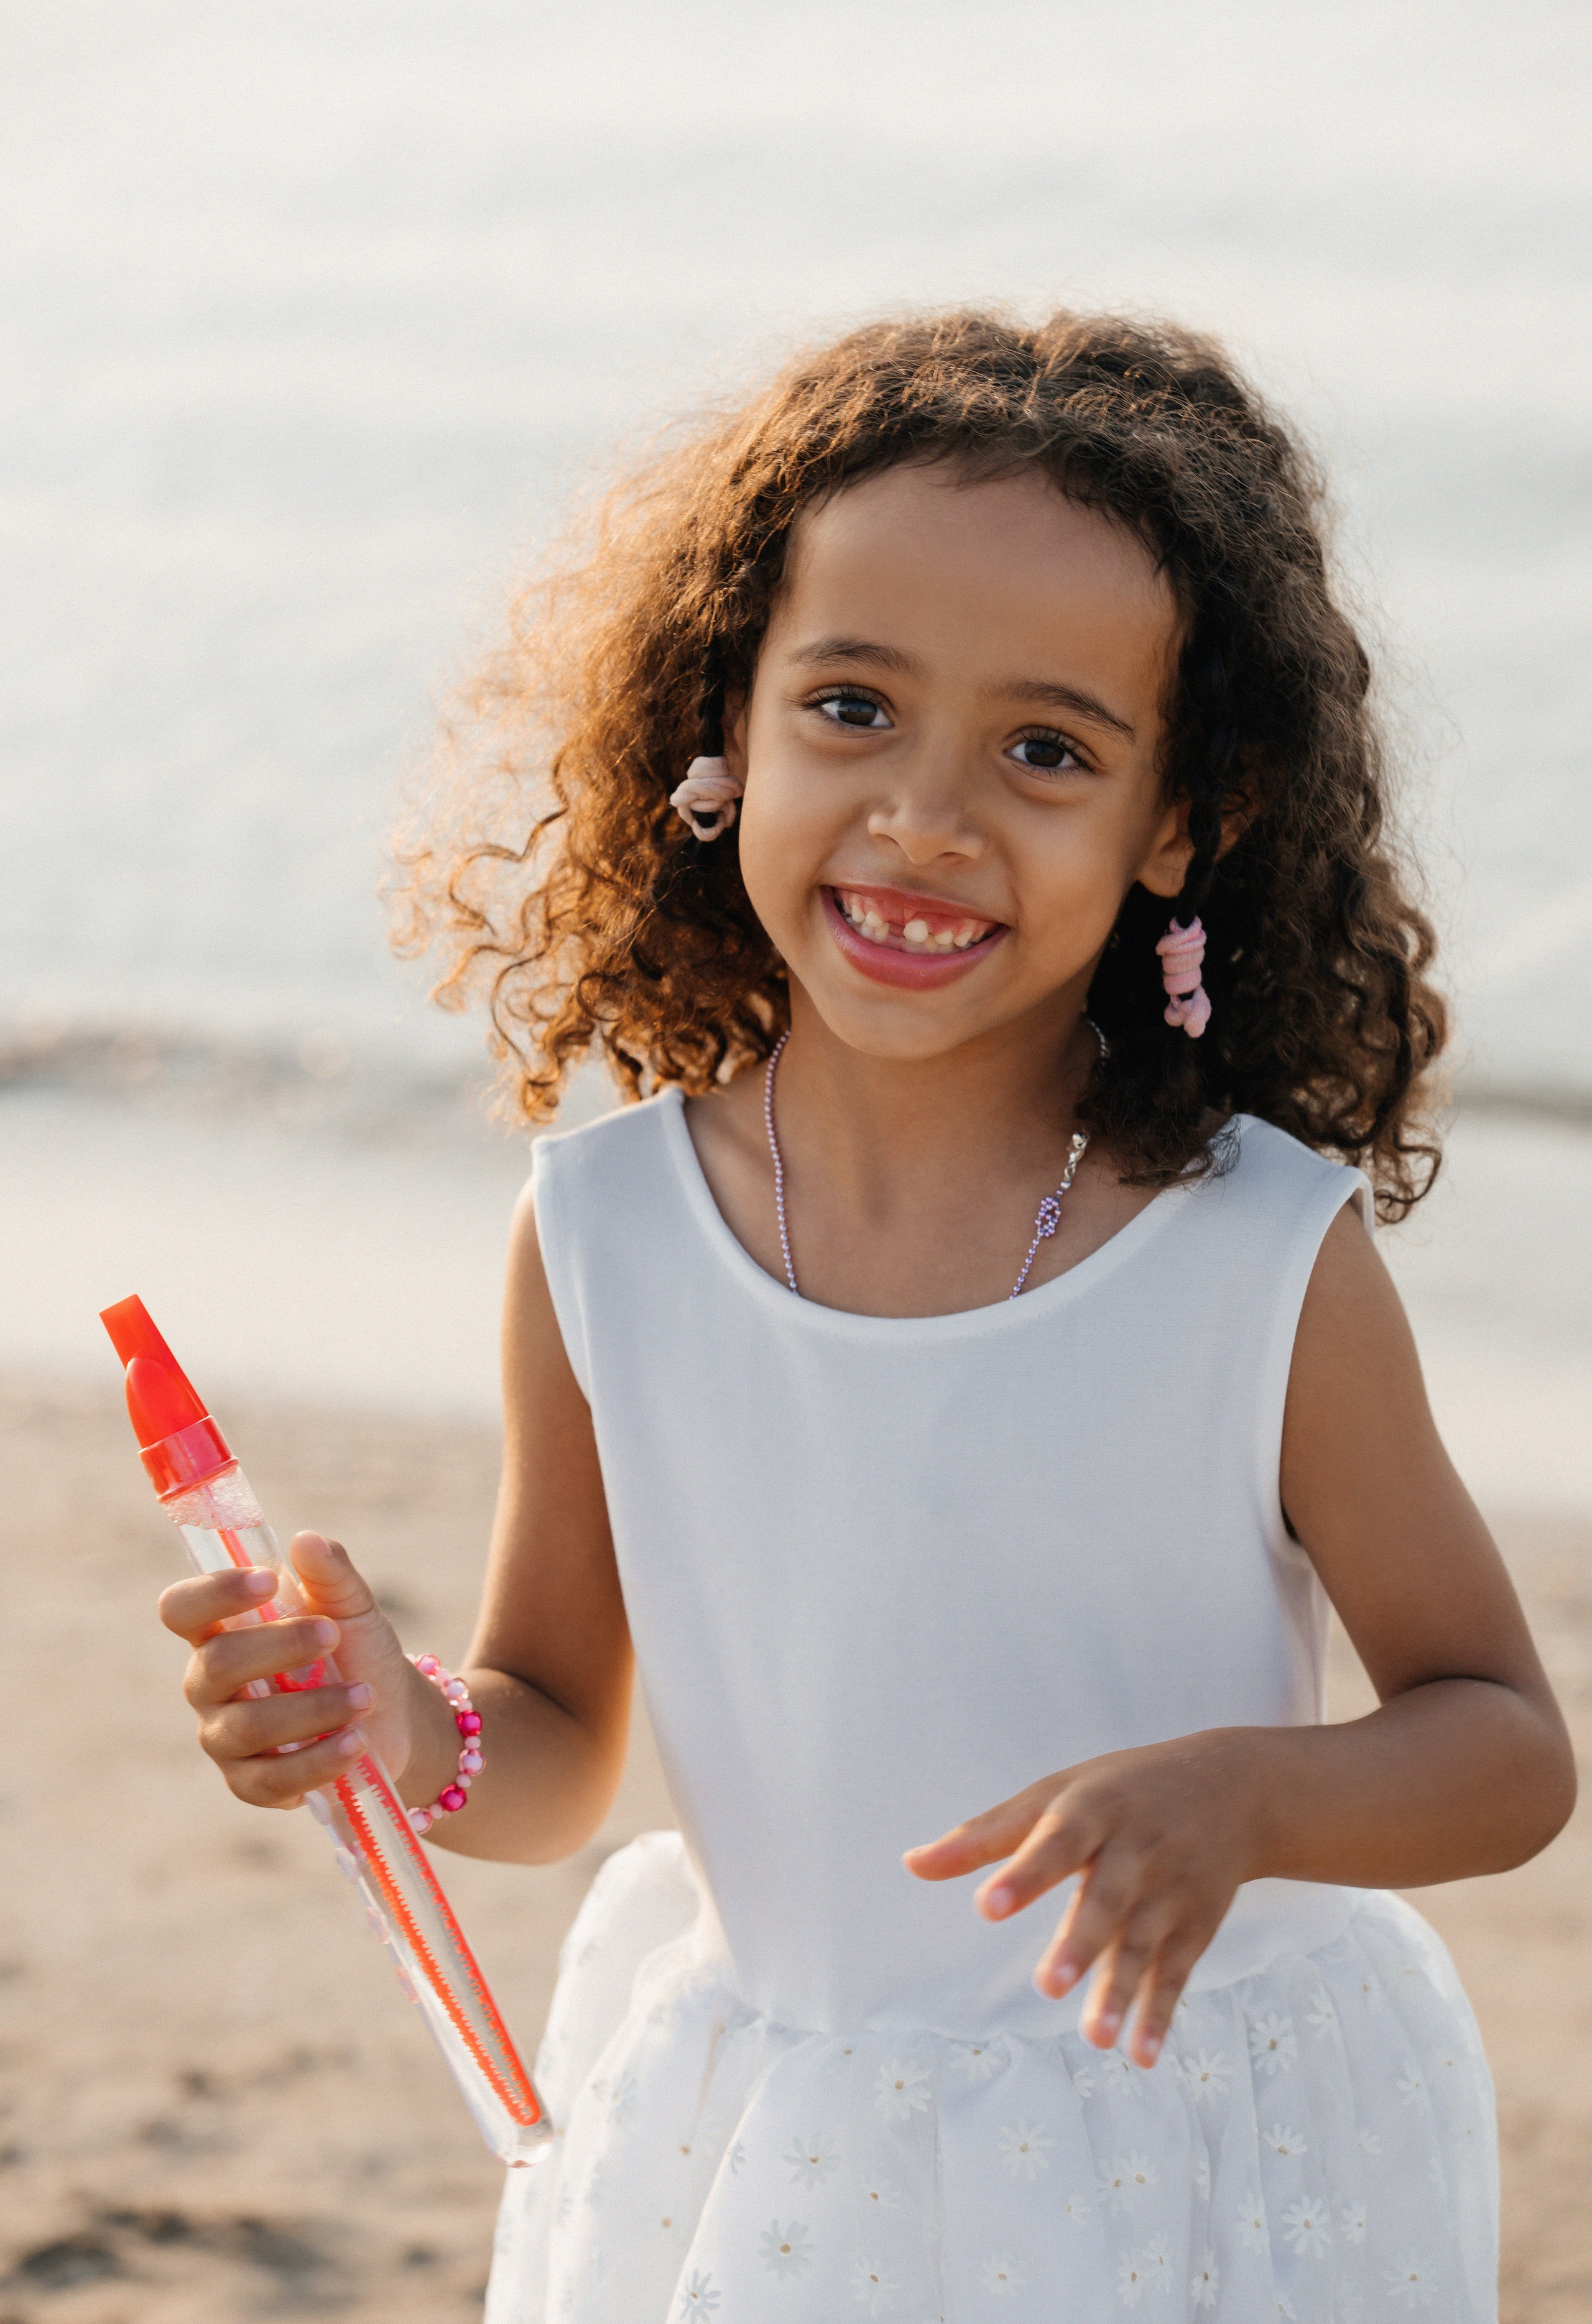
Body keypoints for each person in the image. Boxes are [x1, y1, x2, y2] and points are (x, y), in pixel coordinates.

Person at [159, 310, 1574, 2321]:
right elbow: (556, 1737)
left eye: (1049, 750)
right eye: (852, 707)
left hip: (1193, 2143)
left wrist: (1250, 1796)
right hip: (784, 2135)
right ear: (723, 727)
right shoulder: (607, 1236)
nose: (924, 817)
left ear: (1182, 823)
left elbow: (1505, 1747)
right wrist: (407, 1726)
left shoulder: (1256, 1258)